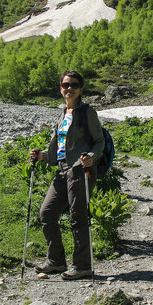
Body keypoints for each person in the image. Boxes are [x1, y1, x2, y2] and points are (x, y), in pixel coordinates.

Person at [29, 70, 105, 280]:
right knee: (47, 212)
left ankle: (82, 265)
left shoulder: (87, 112)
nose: (68, 88)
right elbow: (59, 149)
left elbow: (100, 142)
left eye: (73, 85)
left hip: (81, 170)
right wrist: (42, 155)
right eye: (65, 85)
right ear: (60, 88)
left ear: (81, 89)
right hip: (62, 170)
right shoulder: (63, 113)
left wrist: (91, 156)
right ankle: (56, 261)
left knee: (77, 217)